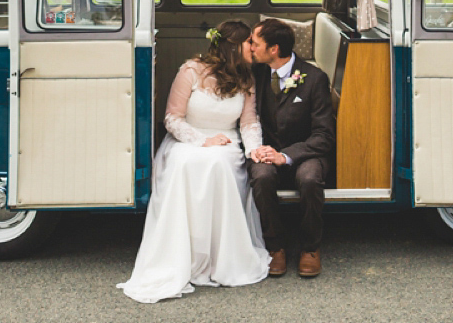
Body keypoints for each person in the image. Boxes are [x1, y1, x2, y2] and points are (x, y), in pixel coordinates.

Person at [118, 20, 269, 303]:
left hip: (226, 141)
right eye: (249, 42)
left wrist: (255, 150)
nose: (253, 47)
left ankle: (220, 259)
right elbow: (172, 118)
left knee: (219, 165)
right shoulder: (190, 71)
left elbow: (249, 122)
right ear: (234, 46)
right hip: (187, 138)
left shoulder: (247, 78)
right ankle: (184, 255)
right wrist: (201, 140)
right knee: (188, 164)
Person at [248, 18, 336, 278]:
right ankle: (275, 247)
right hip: (267, 150)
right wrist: (261, 151)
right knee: (261, 177)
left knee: (309, 179)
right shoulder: (258, 73)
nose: (251, 47)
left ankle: (310, 248)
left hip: (306, 152)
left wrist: (286, 156)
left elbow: (324, 135)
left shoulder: (315, 78)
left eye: (255, 43)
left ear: (273, 49)